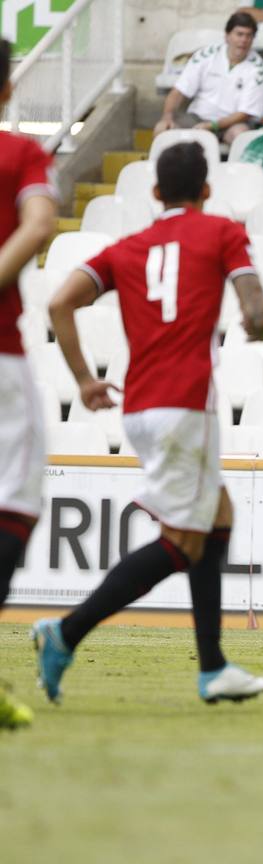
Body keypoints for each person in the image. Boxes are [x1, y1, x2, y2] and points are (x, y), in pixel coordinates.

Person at [32, 142, 263, 706]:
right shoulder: (221, 232)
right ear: (206, 191)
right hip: (185, 405)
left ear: (156, 193)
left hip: (139, 405)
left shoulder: (127, 248)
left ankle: (213, 667)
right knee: (184, 541)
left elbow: (60, 303)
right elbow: (255, 309)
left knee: (217, 519)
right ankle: (65, 633)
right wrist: (256, 324)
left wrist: (86, 381)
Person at [0, 39, 57, 730]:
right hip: (1, 356)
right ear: (9, 88)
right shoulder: (18, 152)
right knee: (13, 508)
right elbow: (40, 223)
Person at [154, 13, 263, 147]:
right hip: (197, 118)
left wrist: (212, 125)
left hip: (232, 124)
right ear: (227, 36)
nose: (243, 40)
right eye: (239, 34)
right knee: (162, 129)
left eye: (248, 35)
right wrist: (167, 116)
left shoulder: (259, 67)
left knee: (240, 135)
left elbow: (245, 113)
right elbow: (179, 91)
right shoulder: (206, 55)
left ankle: (235, 168)